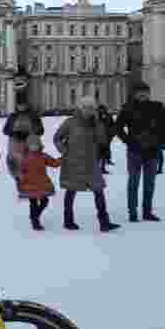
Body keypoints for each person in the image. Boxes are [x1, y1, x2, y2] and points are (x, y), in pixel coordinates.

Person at [53, 96, 120, 232]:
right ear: (80, 108)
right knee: (71, 191)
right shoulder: (70, 123)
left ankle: (104, 222)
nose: (88, 110)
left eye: (91, 107)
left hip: (91, 162)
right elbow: (57, 138)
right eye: (85, 107)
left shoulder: (96, 123)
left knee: (99, 190)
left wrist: (98, 125)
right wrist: (65, 151)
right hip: (73, 162)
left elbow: (102, 141)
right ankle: (68, 221)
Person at [114, 81, 165, 222]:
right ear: (135, 94)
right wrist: (128, 141)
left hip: (152, 151)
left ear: (149, 93)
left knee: (149, 183)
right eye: (139, 92)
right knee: (133, 182)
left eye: (145, 91)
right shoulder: (128, 108)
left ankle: (147, 212)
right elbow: (118, 127)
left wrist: (160, 142)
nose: (142, 94)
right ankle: (132, 212)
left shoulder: (157, 107)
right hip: (135, 151)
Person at [2, 99, 44, 197]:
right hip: (15, 144)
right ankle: (22, 188)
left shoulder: (33, 116)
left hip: (30, 144)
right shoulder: (12, 116)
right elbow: (5, 130)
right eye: (19, 104)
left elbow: (41, 130)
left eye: (23, 104)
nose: (21, 107)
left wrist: (32, 133)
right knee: (16, 167)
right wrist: (14, 133)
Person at [19, 134, 61, 231]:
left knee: (44, 201)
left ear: (39, 145)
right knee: (33, 202)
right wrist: (22, 178)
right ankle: (35, 221)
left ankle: (35, 216)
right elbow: (20, 170)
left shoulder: (43, 156)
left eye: (36, 145)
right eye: (32, 145)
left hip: (42, 183)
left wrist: (62, 159)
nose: (34, 147)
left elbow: (54, 163)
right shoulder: (24, 157)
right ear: (28, 146)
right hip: (29, 184)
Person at [96, 104, 115, 173]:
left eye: (103, 109)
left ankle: (102, 168)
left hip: (106, 137)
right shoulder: (95, 117)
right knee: (98, 155)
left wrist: (111, 135)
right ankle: (97, 169)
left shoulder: (108, 116)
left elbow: (113, 126)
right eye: (100, 109)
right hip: (98, 138)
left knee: (104, 154)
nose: (101, 111)